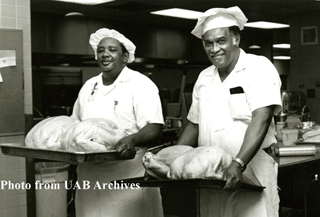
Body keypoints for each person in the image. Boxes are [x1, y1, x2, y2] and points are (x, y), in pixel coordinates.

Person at [175, 6, 282, 217]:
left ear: (235, 39)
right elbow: (195, 125)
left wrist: (238, 163)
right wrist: (172, 158)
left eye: (221, 41)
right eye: (208, 43)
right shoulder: (204, 78)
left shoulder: (258, 67)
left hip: (251, 170)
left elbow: (261, 118)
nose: (214, 49)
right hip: (211, 174)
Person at [71, 28, 164, 217]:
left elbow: (154, 127)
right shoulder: (89, 86)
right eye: (101, 50)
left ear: (124, 56)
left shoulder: (140, 84)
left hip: (126, 176)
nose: (105, 54)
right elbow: (75, 125)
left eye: (112, 50)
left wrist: (133, 139)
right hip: (90, 177)